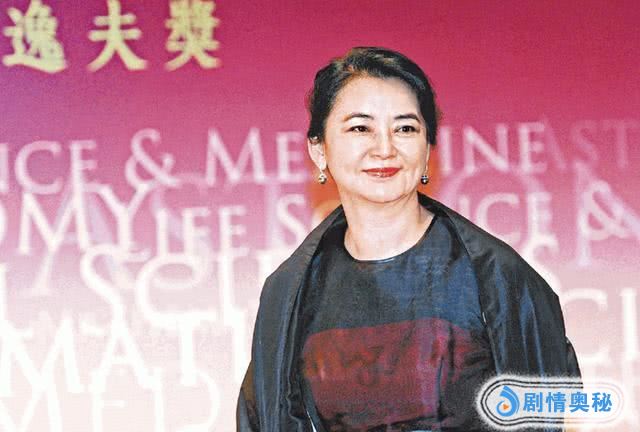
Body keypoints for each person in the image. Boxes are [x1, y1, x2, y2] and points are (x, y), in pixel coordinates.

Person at [237, 47, 580, 432]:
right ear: (319, 150)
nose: (385, 149)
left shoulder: (497, 277)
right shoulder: (291, 293)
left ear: (428, 147)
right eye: (360, 128)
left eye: (405, 129)